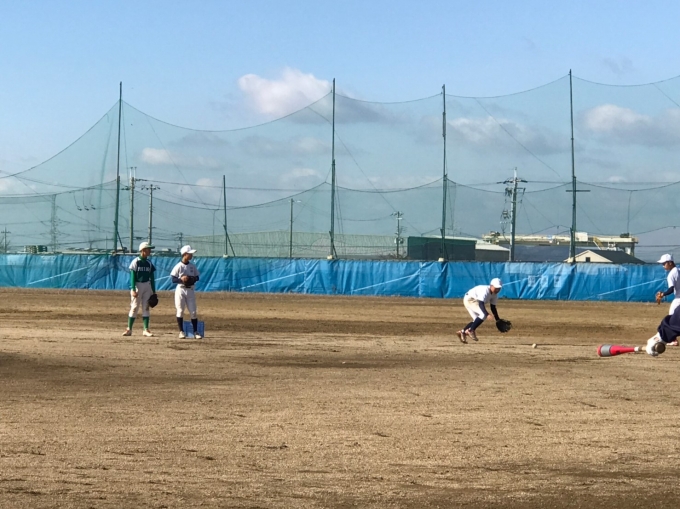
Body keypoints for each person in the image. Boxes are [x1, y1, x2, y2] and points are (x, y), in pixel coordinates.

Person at [123, 241, 156, 337]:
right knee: (134, 307)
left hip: (147, 285)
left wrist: (154, 291)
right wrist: (133, 288)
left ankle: (146, 329)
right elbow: (132, 276)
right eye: (148, 249)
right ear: (143, 250)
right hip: (137, 285)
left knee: (146, 307)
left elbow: (152, 278)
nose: (150, 251)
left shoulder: (149, 263)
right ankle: (129, 329)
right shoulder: (136, 262)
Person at [457, 278, 503, 343]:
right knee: (483, 315)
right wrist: (487, 314)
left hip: (472, 300)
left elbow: (493, 307)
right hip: (470, 299)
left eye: (499, 288)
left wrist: (497, 319)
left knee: (476, 320)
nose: (497, 289)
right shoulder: (485, 290)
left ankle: (462, 332)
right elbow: (481, 304)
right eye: (496, 287)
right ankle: (470, 330)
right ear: (491, 285)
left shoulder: (494, 295)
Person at [171, 245, 202, 339]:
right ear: (184, 254)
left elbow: (197, 277)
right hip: (181, 290)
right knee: (180, 311)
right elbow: (173, 279)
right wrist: (181, 279)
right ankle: (181, 332)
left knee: (193, 312)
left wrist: (191, 279)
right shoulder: (178, 266)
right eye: (190, 253)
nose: (191, 255)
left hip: (190, 290)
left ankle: (196, 332)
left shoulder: (192, 266)